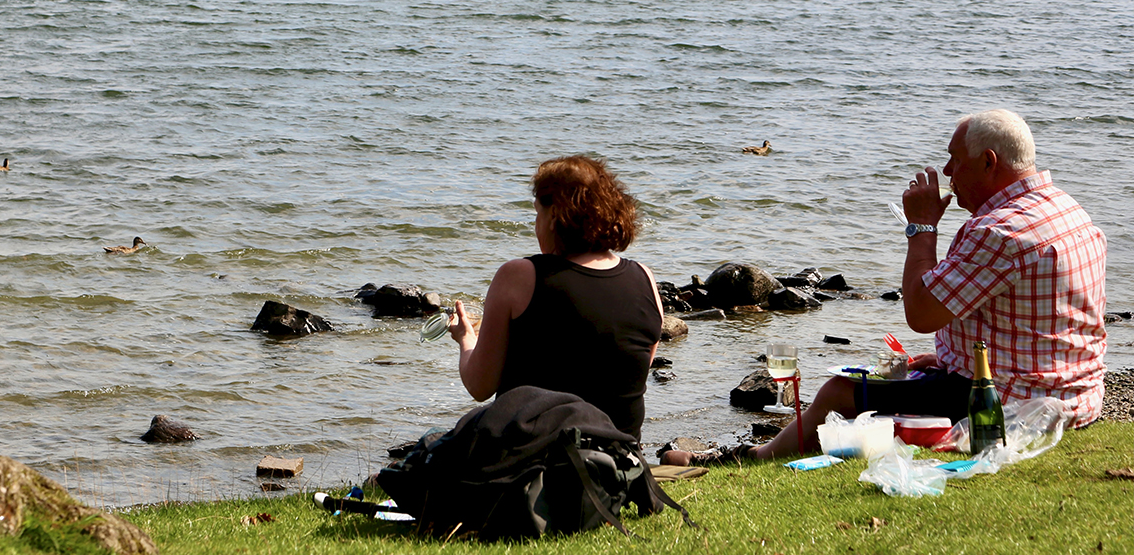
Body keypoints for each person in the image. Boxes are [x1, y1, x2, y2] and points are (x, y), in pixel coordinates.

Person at [665, 109, 1107, 464]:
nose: (948, 172)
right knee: (907, 370)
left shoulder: (998, 230)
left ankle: (749, 458)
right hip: (1075, 396)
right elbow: (1037, 322)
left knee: (838, 391)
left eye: (955, 160)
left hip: (1006, 405)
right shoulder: (1066, 210)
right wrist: (952, 357)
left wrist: (921, 228)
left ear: (989, 162)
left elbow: (920, 314)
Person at [448, 155, 665, 439]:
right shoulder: (645, 279)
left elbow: (480, 386)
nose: (536, 224)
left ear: (554, 217)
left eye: (537, 214)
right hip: (618, 457)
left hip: (533, 456)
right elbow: (628, 375)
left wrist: (466, 339)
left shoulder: (519, 275)